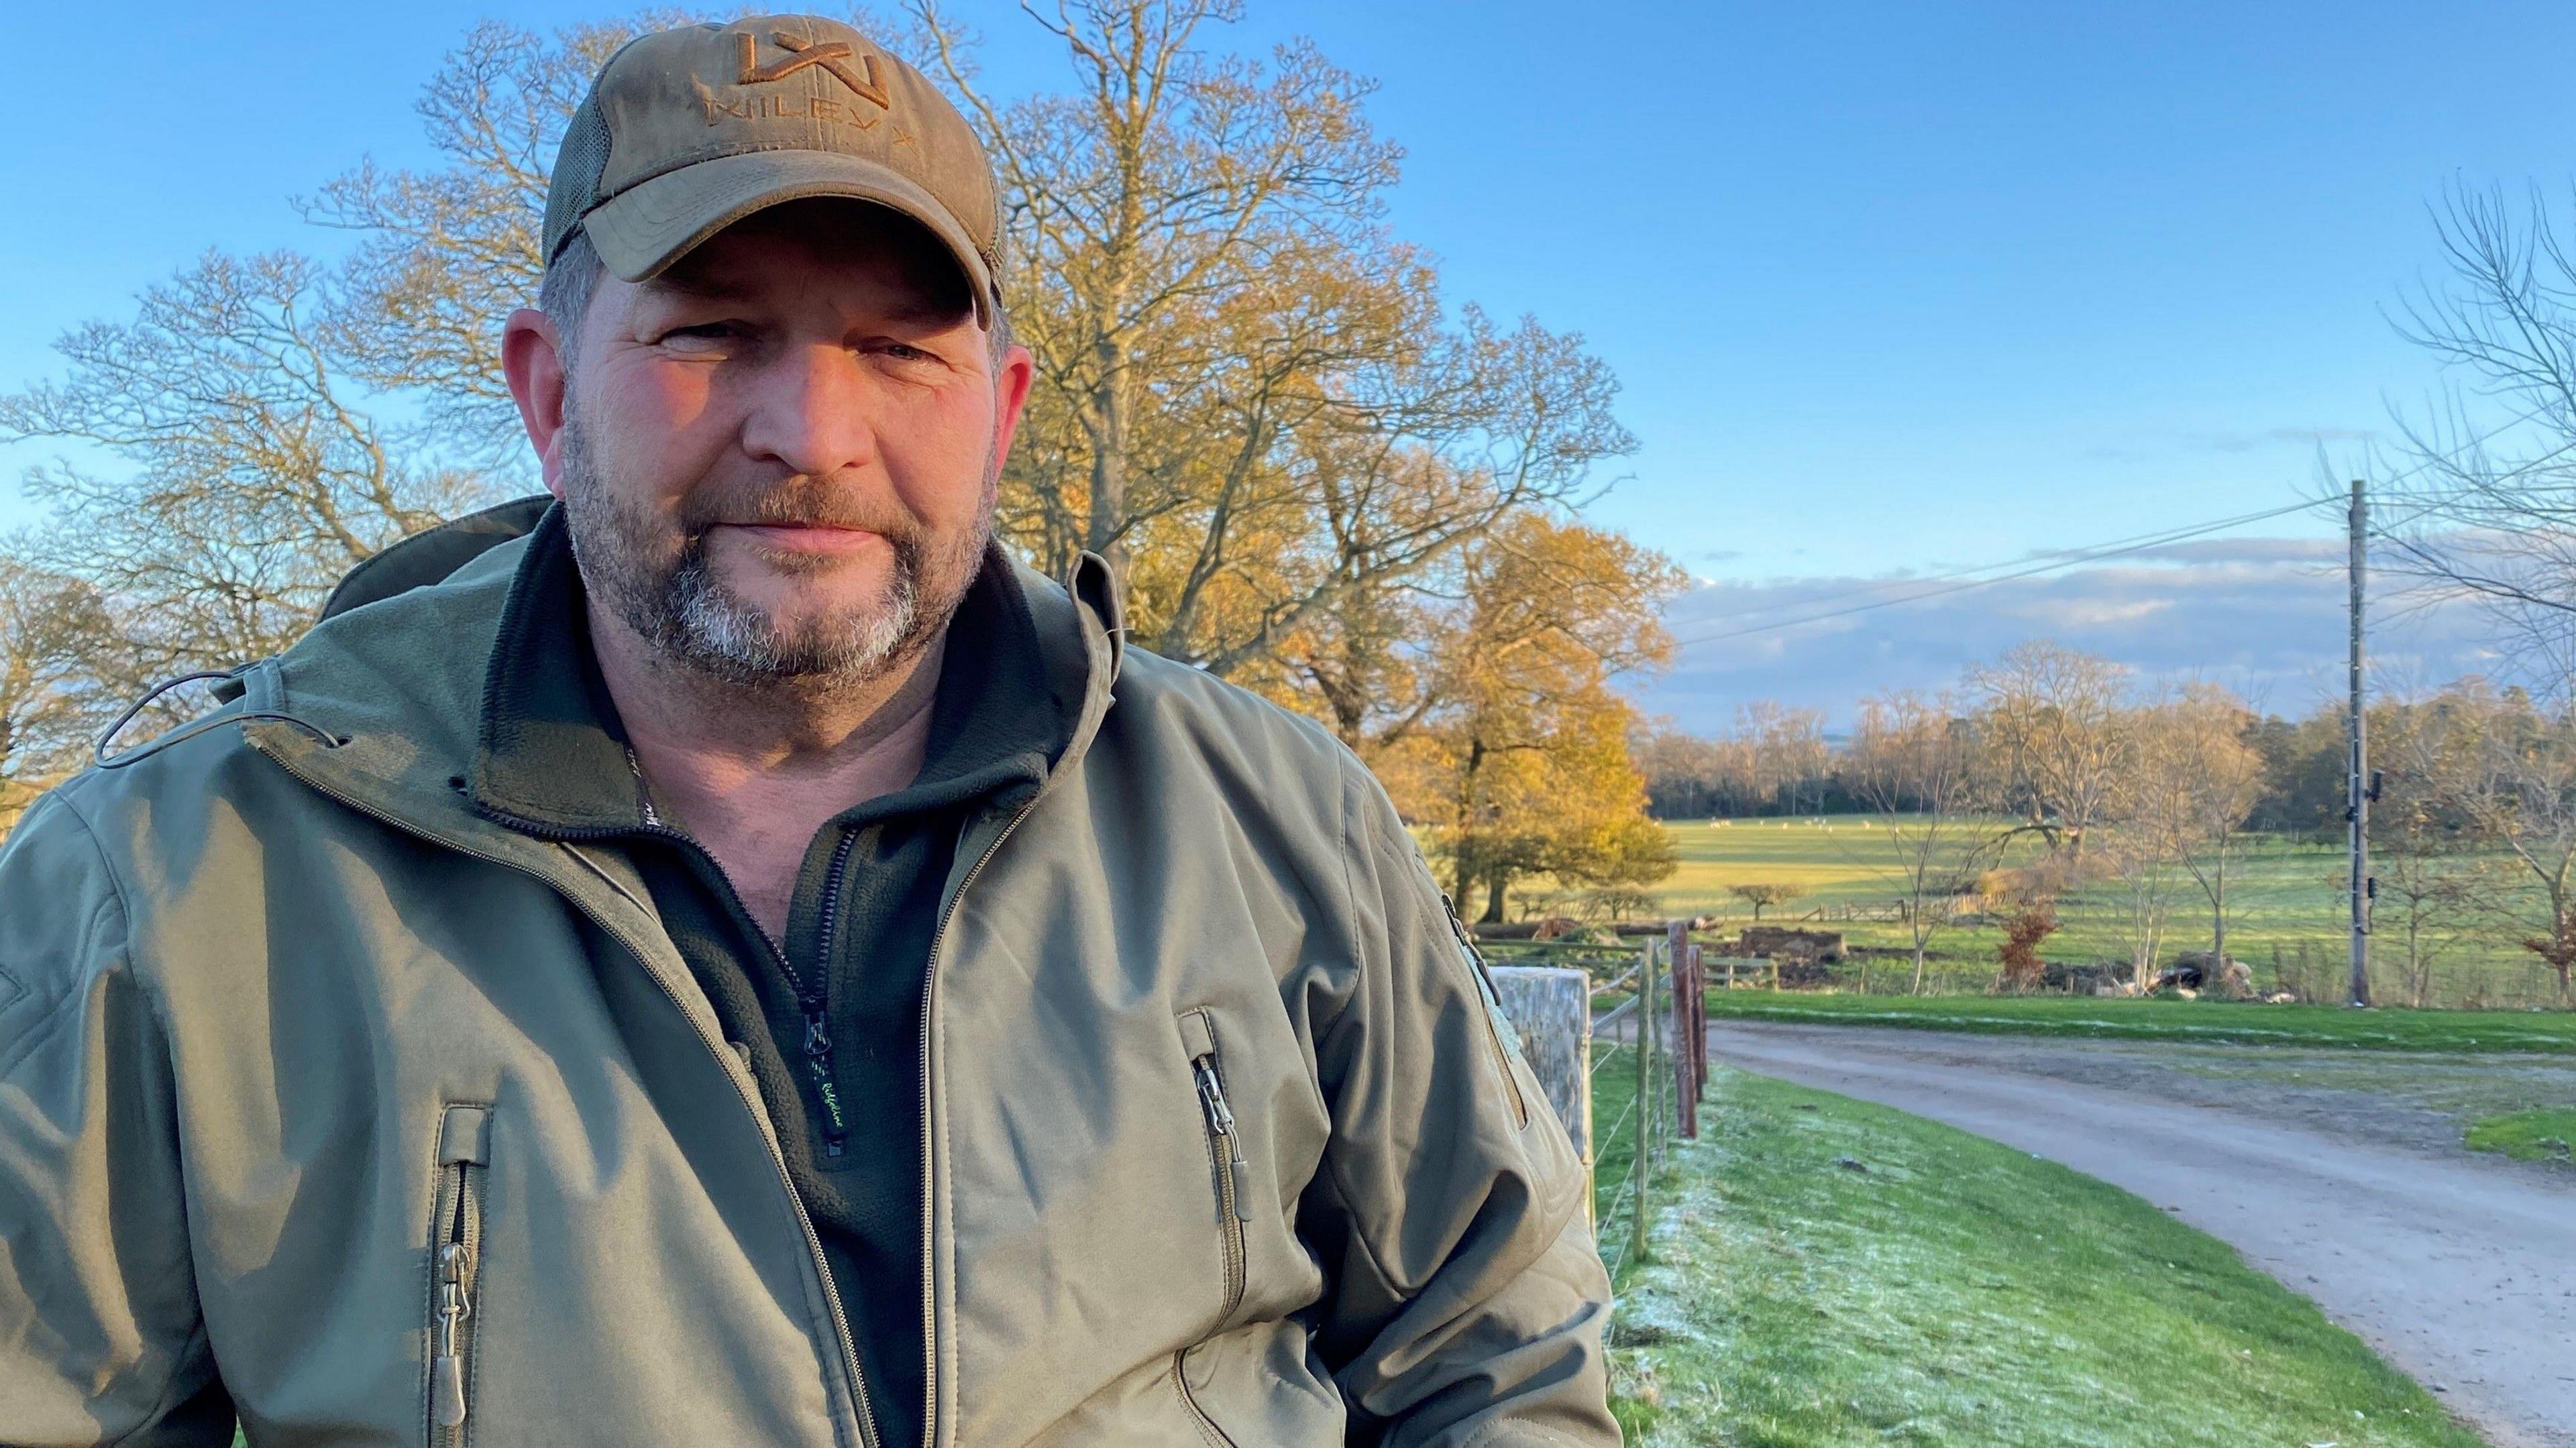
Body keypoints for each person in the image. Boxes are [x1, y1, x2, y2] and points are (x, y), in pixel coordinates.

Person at [0, 15, 1615, 1447]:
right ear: (550, 390)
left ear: (1000, 414)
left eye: (901, 352)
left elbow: (1497, 1348)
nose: (814, 435)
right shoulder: (169, 881)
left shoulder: (1268, 817)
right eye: (710, 333)